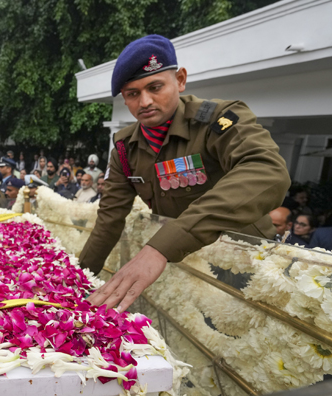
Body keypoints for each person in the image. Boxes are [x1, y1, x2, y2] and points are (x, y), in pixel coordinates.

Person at [81, 34, 290, 313]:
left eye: (155, 87)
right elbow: (108, 221)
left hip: (243, 263)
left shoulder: (218, 120)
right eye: (132, 94)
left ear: (179, 80)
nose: (144, 102)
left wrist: (162, 246)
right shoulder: (124, 148)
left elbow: (269, 171)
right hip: (183, 265)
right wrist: (76, 281)